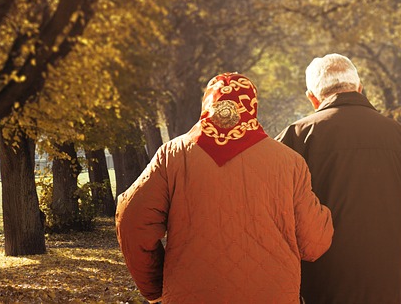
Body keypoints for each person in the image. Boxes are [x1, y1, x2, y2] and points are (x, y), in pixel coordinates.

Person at [116, 72, 334, 304]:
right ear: (252, 106)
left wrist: (154, 286)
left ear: (207, 104)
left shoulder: (172, 156)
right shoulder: (289, 162)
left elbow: (131, 220)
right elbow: (314, 244)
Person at [276, 54, 401, 304]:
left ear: (312, 97)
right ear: (359, 89)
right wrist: (393, 268)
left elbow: (275, 215)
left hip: (318, 287)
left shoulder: (295, 137)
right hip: (386, 287)